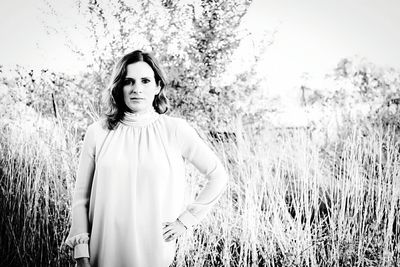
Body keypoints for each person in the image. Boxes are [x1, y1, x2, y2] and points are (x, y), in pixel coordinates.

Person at [65, 50, 229, 267]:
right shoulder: (98, 132)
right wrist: (81, 250)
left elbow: (218, 176)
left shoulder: (175, 130)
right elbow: (81, 197)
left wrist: (186, 220)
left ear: (158, 86)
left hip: (153, 253)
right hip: (102, 252)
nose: (137, 89)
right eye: (128, 81)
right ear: (119, 87)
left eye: (145, 80)